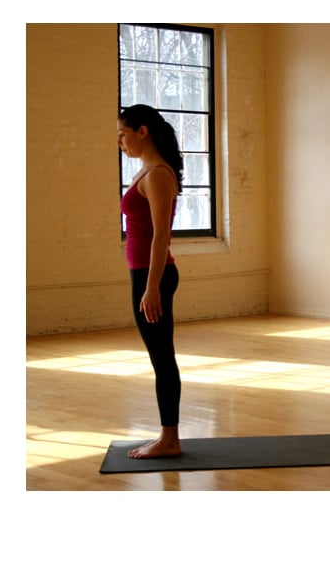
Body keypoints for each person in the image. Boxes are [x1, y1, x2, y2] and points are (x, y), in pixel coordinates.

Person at [117, 104, 185, 458]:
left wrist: (152, 287)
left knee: (162, 357)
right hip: (143, 274)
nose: (120, 142)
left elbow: (162, 236)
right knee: (159, 355)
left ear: (142, 131)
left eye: (123, 134)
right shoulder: (146, 172)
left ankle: (169, 439)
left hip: (153, 275)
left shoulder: (158, 174)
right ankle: (167, 436)